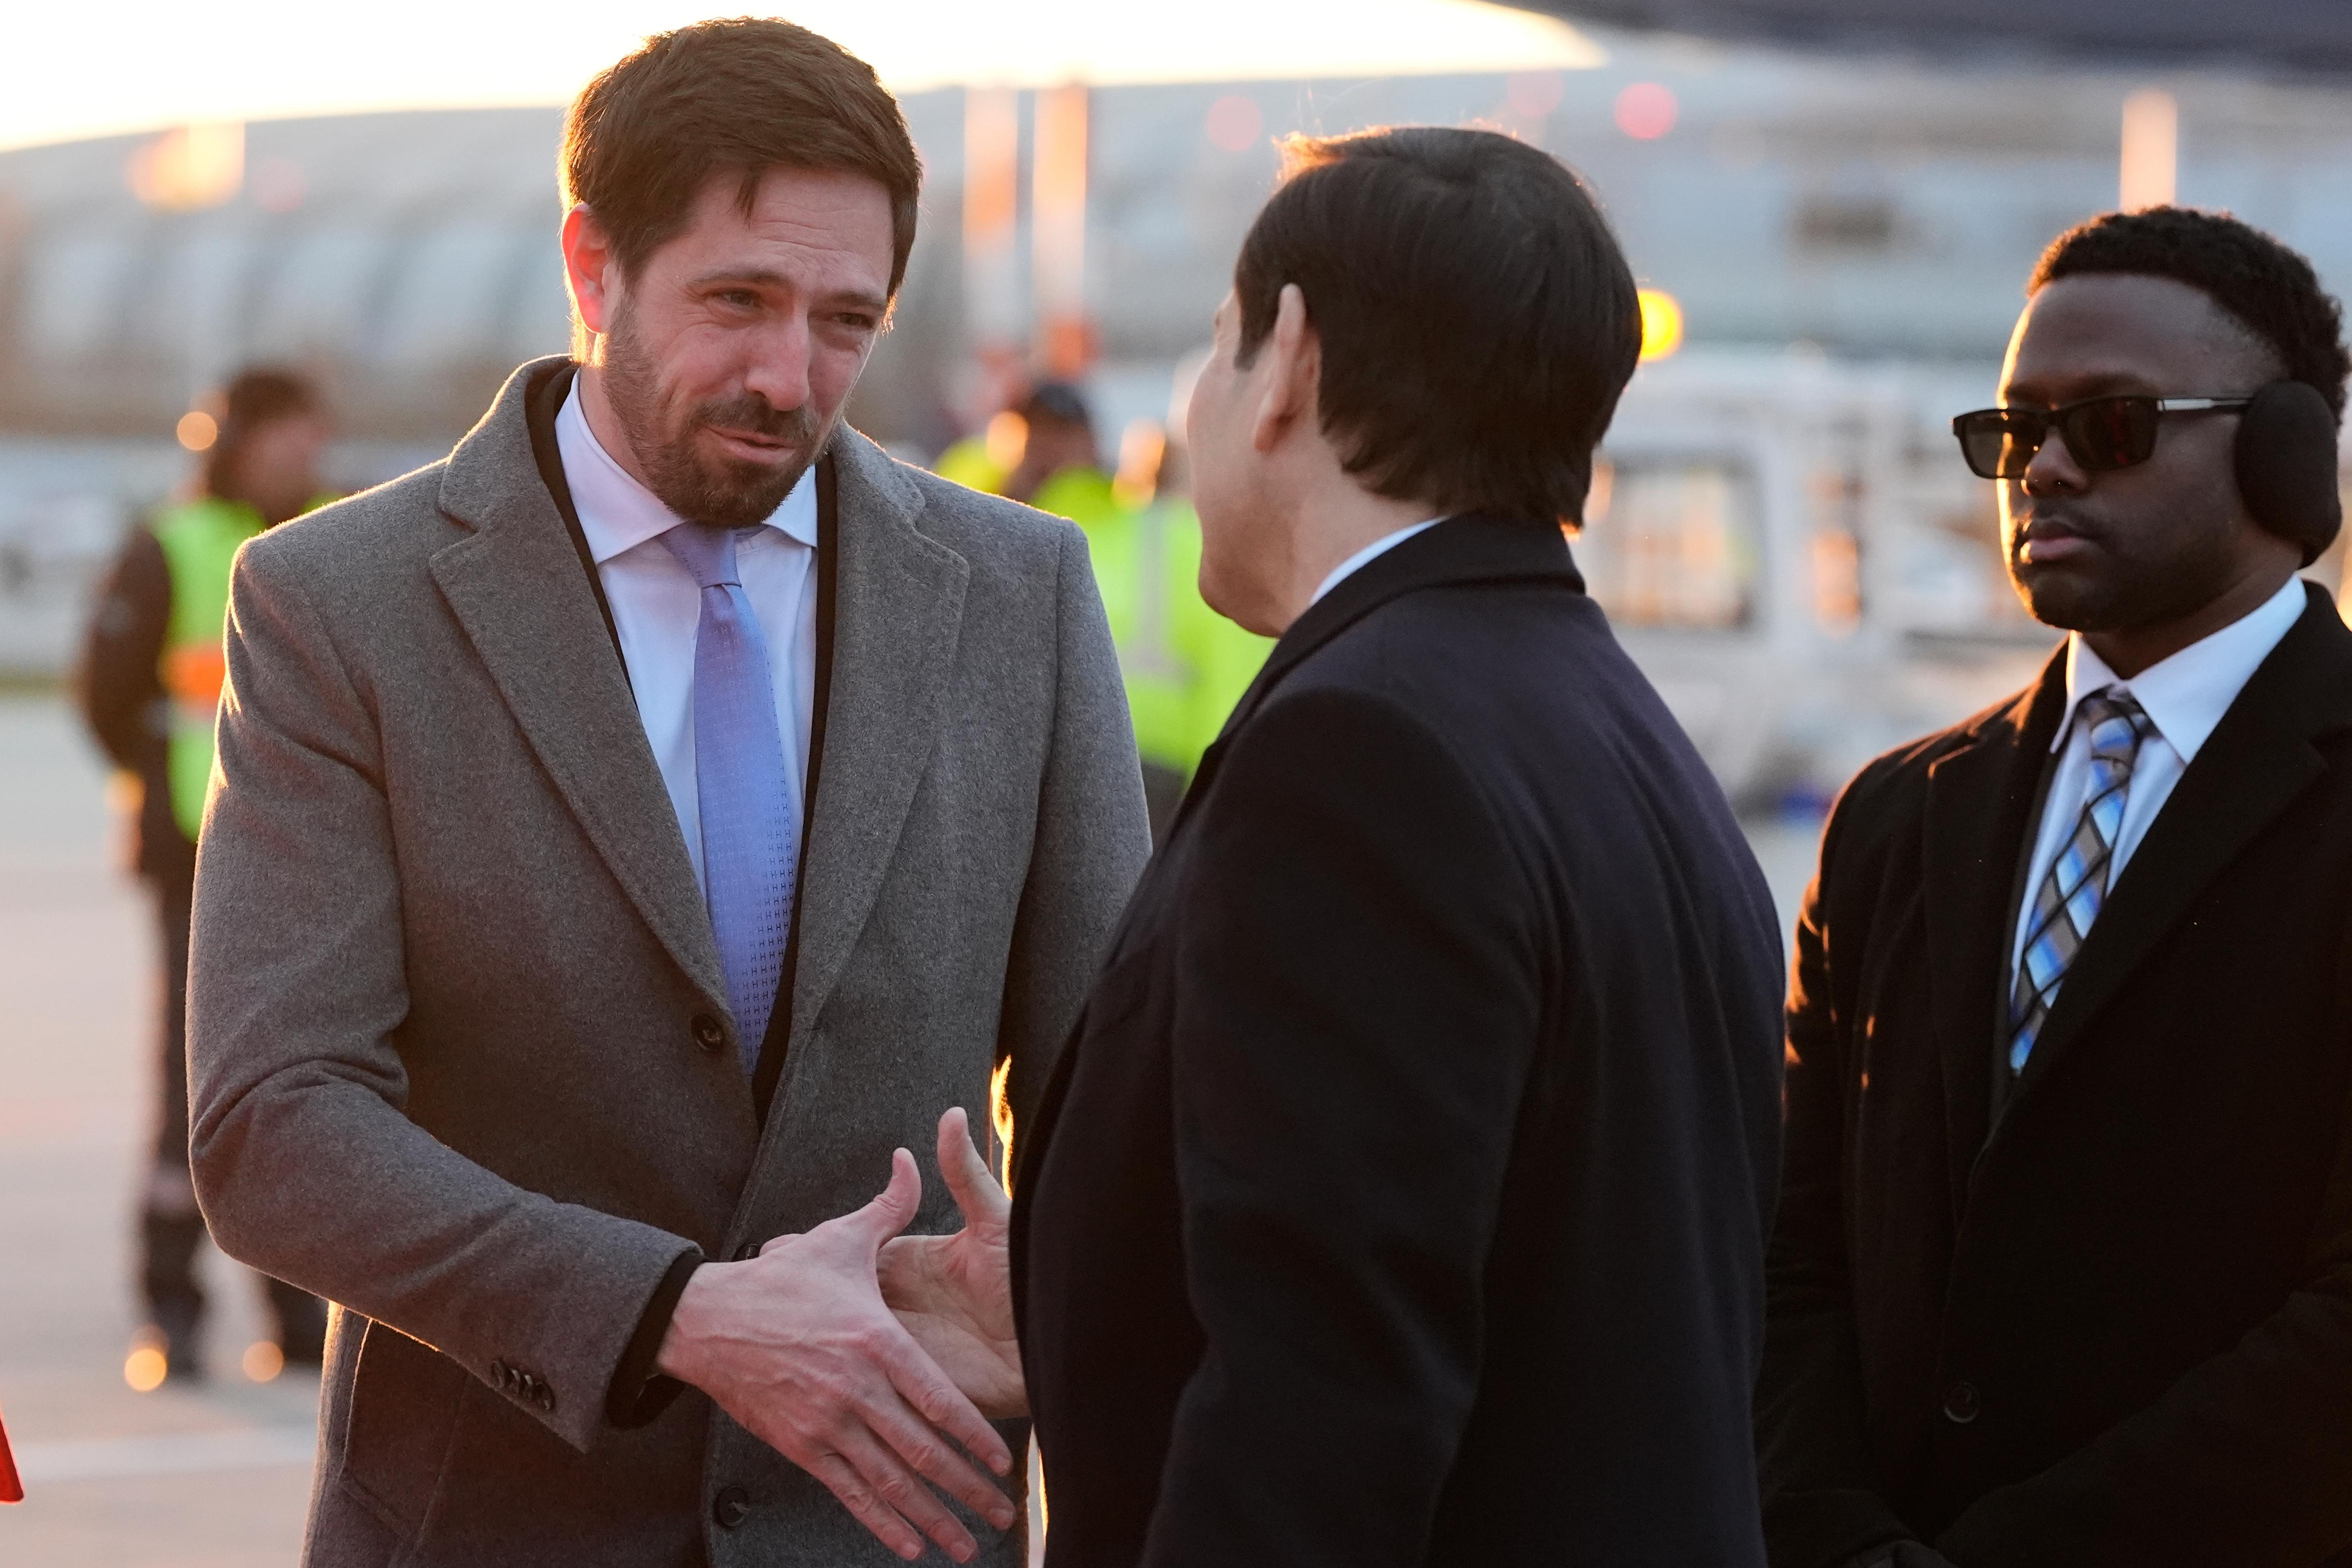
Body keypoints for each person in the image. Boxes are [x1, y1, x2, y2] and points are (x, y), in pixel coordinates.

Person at [185, 19, 1146, 1567]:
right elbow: (273, 1125)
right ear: (592, 263)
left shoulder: (1019, 592)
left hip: (898, 1515)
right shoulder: (336, 603)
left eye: (848, 318)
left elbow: (1123, 1098)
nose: (791, 375)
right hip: (492, 1524)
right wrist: (673, 1313)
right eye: (738, 300)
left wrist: (1054, 1296)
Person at [884, 126, 1787, 1564]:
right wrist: (1086, 1298)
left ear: (1289, 359)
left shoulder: (1363, 756)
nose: (1197, 398)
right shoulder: (1608, 722)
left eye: (1218, 344)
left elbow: (1323, 1407)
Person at [1758, 207, 2352, 1567]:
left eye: (2115, 423)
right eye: (2016, 431)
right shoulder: (1897, 818)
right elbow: (1795, 1252)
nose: (2045, 469)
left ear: (2283, 452)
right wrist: (1833, 1530)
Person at [76, 365, 333, 1383]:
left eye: (311, 434)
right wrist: (160, 780)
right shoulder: (171, 542)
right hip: (194, 859)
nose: (302, 453)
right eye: (283, 435)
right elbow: (106, 693)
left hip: (315, 859)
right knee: (188, 1083)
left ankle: (303, 1315)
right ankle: (171, 1313)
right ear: (237, 438)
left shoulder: (339, 528)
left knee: (314, 1081)